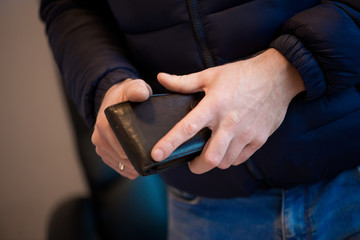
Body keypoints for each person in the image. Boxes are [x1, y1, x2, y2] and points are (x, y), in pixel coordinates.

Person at [40, 0, 360, 239]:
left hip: (348, 179)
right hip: (206, 208)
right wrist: (105, 82)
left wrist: (289, 68)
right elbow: (71, 4)